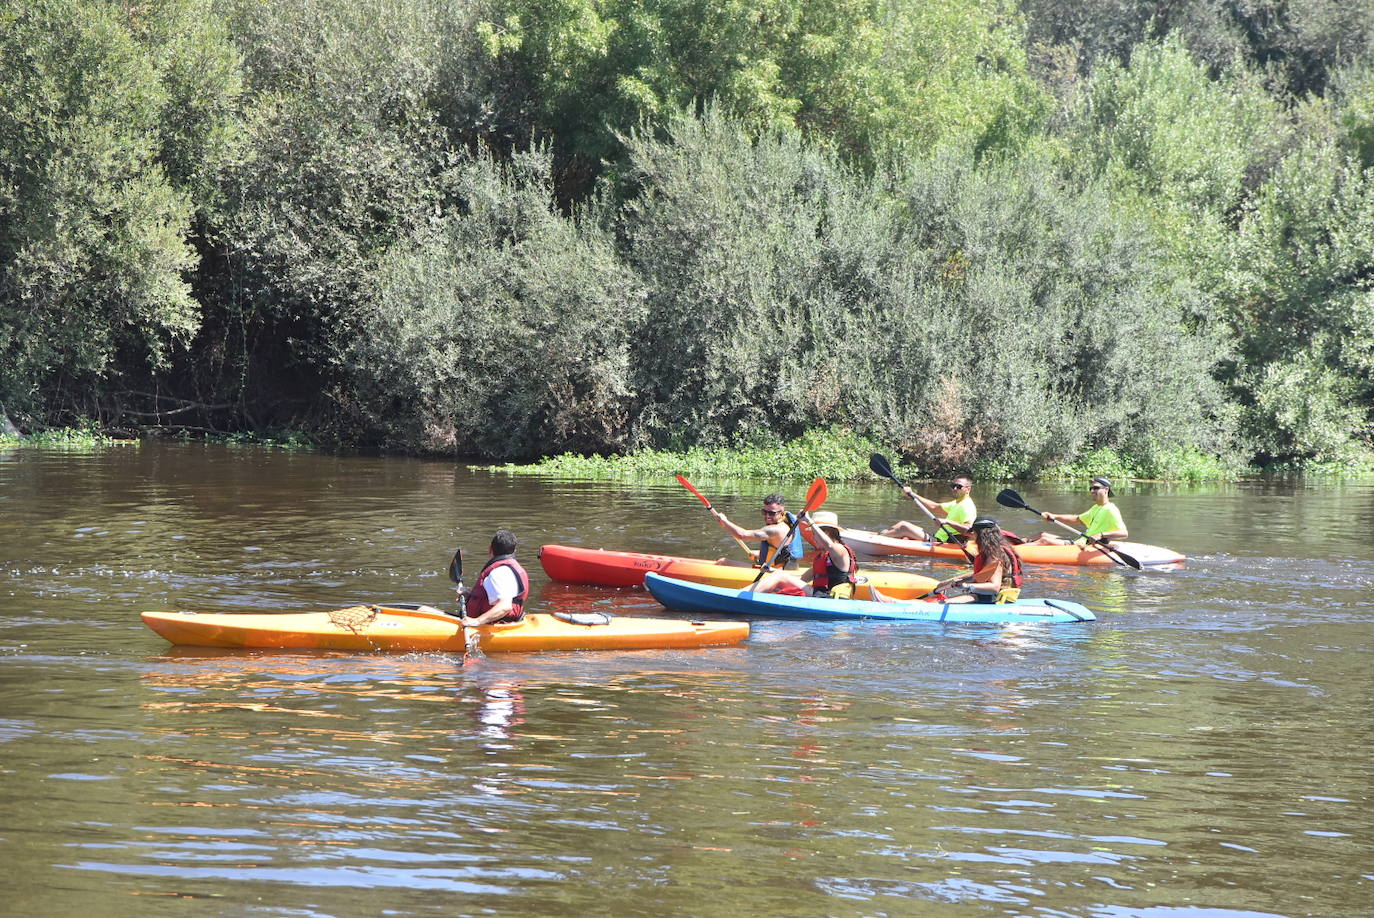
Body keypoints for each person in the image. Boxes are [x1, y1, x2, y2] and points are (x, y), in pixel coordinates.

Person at [749, 510, 858, 599]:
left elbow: (829, 544)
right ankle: (744, 595)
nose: (813, 538)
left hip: (833, 600)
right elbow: (802, 578)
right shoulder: (822, 557)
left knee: (779, 577)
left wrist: (808, 520)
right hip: (821, 596)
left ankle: (743, 596)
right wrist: (773, 571)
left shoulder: (839, 550)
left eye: (814, 534)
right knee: (778, 579)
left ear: (827, 534)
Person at [928, 517, 1024, 604]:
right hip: (998, 596)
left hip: (994, 597)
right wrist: (950, 581)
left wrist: (967, 586)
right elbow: (981, 574)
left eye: (974, 533)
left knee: (942, 603)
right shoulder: (998, 548)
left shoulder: (994, 555)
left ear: (981, 535)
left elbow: (994, 587)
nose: (972, 535)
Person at [711, 492, 803, 569]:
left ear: (782, 512)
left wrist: (725, 522)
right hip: (786, 570)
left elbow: (742, 535)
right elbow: (782, 553)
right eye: (764, 512)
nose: (767, 516)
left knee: (722, 562)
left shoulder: (775, 529)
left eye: (772, 513)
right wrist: (759, 554)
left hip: (775, 574)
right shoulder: (788, 524)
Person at [1030, 476, 1128, 546]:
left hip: (1087, 545)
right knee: (1041, 534)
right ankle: (1018, 544)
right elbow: (1077, 519)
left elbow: (1124, 533)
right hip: (1080, 541)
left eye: (1096, 488)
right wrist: (1054, 516)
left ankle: (1016, 553)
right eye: (1091, 488)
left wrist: (1101, 535)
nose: (1092, 491)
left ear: (1106, 489)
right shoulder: (1096, 507)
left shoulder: (1111, 509)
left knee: (1044, 540)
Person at [462, 529, 531, 626]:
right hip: (500, 623)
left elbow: (505, 607)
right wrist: (469, 595)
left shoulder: (499, 573)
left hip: (496, 627)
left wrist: (477, 621)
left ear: (490, 549)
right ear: (514, 550)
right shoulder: (507, 570)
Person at [879, 475, 976, 543]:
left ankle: (878, 539)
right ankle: (884, 535)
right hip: (936, 538)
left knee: (904, 527)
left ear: (968, 489)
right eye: (953, 486)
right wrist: (913, 495)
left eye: (959, 487)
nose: (954, 489)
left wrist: (947, 522)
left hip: (943, 542)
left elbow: (969, 530)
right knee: (901, 524)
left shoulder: (967, 506)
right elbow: (934, 507)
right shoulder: (957, 503)